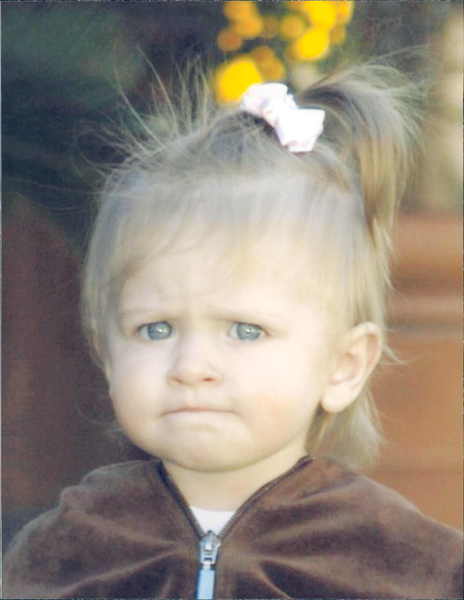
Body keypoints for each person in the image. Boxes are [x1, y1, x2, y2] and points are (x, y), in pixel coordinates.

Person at [4, 63, 463, 599]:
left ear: (344, 366)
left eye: (245, 331)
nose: (191, 367)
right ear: (107, 354)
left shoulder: (403, 563)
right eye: (155, 330)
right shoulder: (65, 551)